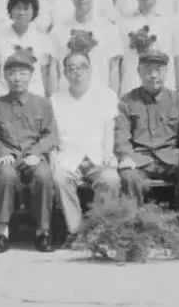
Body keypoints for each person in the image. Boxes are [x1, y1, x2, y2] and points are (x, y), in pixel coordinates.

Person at [115, 50, 179, 247]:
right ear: (139, 72)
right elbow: (121, 132)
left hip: (171, 157)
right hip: (141, 159)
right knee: (129, 177)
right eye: (148, 70)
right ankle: (135, 237)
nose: (153, 75)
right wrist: (125, 156)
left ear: (165, 72)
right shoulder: (128, 101)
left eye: (158, 70)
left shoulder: (177, 100)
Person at [0, 50, 60, 253]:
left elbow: (50, 135)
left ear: (31, 75)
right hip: (8, 159)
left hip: (34, 157)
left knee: (44, 176)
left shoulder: (43, 104)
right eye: (12, 73)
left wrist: (36, 153)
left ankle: (43, 232)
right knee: (5, 176)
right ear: (5, 76)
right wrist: (2, 152)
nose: (17, 78)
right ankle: (2, 232)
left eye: (22, 73)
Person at [51, 51, 121, 248]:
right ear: (65, 73)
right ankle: (76, 232)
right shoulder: (56, 99)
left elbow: (109, 129)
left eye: (82, 67)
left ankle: (99, 231)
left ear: (90, 70)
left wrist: (109, 154)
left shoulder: (106, 95)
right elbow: (51, 133)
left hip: (98, 157)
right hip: (68, 157)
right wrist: (53, 155)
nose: (77, 72)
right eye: (71, 68)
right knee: (59, 178)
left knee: (111, 179)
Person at [116, 0, 179, 93]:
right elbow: (118, 64)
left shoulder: (173, 21)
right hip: (131, 91)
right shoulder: (122, 23)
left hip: (165, 91)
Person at [51, 0, 122, 93]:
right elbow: (54, 66)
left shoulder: (108, 28)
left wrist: (113, 98)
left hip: (99, 93)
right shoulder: (59, 29)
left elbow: (114, 67)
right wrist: (53, 97)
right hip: (66, 95)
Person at [0, 0, 55, 98]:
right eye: (17, 8)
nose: (21, 13)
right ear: (11, 10)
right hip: (4, 97)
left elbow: (44, 73)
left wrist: (47, 99)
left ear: (34, 11)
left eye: (26, 8)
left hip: (34, 97)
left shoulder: (42, 39)